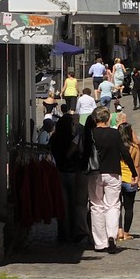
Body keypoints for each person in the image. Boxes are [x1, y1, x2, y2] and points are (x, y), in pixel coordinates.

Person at [85, 106, 126, 254]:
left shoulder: (90, 134)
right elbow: (124, 152)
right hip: (113, 172)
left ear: (95, 119)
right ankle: (111, 236)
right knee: (113, 205)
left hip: (94, 173)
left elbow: (84, 153)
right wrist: (134, 172)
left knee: (96, 206)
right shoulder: (115, 134)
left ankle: (100, 242)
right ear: (108, 118)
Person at [48, 107, 90, 249]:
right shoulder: (73, 139)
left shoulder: (54, 138)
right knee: (73, 204)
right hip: (73, 173)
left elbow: (50, 152)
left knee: (62, 204)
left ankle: (62, 232)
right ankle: (73, 231)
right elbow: (76, 153)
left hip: (58, 172)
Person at [117, 121, 140, 242]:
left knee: (116, 207)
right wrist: (138, 180)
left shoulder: (115, 146)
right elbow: (137, 165)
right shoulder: (134, 148)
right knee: (129, 207)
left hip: (116, 178)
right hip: (130, 179)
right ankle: (126, 232)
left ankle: (119, 230)